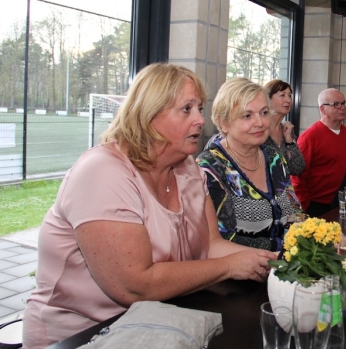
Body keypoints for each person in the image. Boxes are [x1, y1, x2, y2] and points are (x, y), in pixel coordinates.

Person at [21, 64, 277, 349]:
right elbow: (134, 286)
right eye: (186, 109)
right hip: (81, 336)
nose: (199, 120)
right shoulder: (103, 171)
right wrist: (229, 266)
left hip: (159, 323)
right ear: (149, 114)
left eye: (199, 109)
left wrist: (272, 259)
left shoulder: (188, 167)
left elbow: (210, 245)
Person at [197, 78, 304, 251]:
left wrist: (320, 236)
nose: (260, 123)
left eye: (264, 113)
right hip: (241, 267)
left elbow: (294, 211)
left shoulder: (274, 157)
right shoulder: (210, 167)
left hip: (289, 261)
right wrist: (282, 251)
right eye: (247, 116)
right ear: (224, 122)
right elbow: (223, 239)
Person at [291, 88, 346, 218]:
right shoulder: (309, 137)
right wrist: (305, 206)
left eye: (344, 103)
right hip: (317, 207)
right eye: (336, 104)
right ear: (322, 109)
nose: (342, 107)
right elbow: (297, 177)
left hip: (345, 204)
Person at [264, 78, 305, 175]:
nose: (288, 100)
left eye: (290, 96)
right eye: (282, 95)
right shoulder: (258, 129)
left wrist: (289, 141)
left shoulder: (287, 130)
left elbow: (298, 168)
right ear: (268, 99)